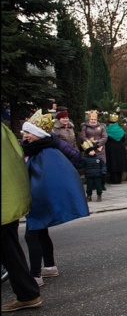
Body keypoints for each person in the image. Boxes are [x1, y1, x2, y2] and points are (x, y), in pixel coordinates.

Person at [20, 110, 89, 286]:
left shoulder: (46, 152)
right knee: (41, 231)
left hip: (39, 200)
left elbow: (45, 180)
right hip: (39, 198)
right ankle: (49, 266)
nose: (25, 135)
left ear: (38, 134)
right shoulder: (39, 149)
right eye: (24, 132)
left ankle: (35, 275)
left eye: (28, 132)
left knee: (32, 234)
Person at [1, 123, 42, 312]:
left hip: (5, 202)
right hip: (10, 199)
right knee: (10, 249)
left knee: (9, 250)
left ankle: (28, 294)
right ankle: (28, 294)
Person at [80, 110, 108, 191]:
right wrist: (90, 143)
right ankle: (91, 184)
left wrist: (98, 143)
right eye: (91, 119)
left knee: (101, 165)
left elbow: (105, 137)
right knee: (91, 166)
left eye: (94, 119)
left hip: (100, 149)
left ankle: (101, 183)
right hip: (89, 148)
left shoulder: (102, 126)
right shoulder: (85, 126)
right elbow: (82, 136)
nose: (93, 120)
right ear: (89, 119)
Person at [105, 113, 127, 185]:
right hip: (120, 147)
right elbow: (123, 139)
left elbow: (105, 139)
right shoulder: (120, 129)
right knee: (119, 162)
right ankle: (119, 179)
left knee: (112, 162)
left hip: (110, 148)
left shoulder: (107, 129)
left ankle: (113, 179)